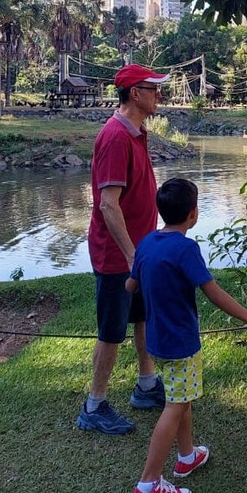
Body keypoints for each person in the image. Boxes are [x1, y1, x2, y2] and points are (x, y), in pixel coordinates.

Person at [126, 177, 247, 493]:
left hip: (157, 343)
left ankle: (187, 456)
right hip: (180, 344)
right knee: (175, 405)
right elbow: (213, 292)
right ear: (193, 213)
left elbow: (130, 286)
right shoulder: (186, 249)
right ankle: (148, 483)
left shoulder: (147, 243)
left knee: (182, 397)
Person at [76, 64, 170, 435]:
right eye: (153, 89)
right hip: (118, 256)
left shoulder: (136, 132)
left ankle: (146, 386)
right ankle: (94, 405)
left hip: (138, 250)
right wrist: (132, 258)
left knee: (141, 317)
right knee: (112, 330)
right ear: (135, 93)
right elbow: (107, 205)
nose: (158, 95)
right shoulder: (116, 137)